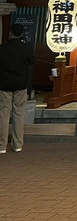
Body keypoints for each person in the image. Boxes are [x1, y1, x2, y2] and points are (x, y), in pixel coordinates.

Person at [0, 23, 35, 152]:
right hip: (20, 85)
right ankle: (17, 144)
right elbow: (32, 61)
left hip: (4, 85)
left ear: (10, 33)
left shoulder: (2, 48)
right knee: (18, 114)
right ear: (21, 34)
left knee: (3, 114)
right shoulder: (26, 48)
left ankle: (1, 146)